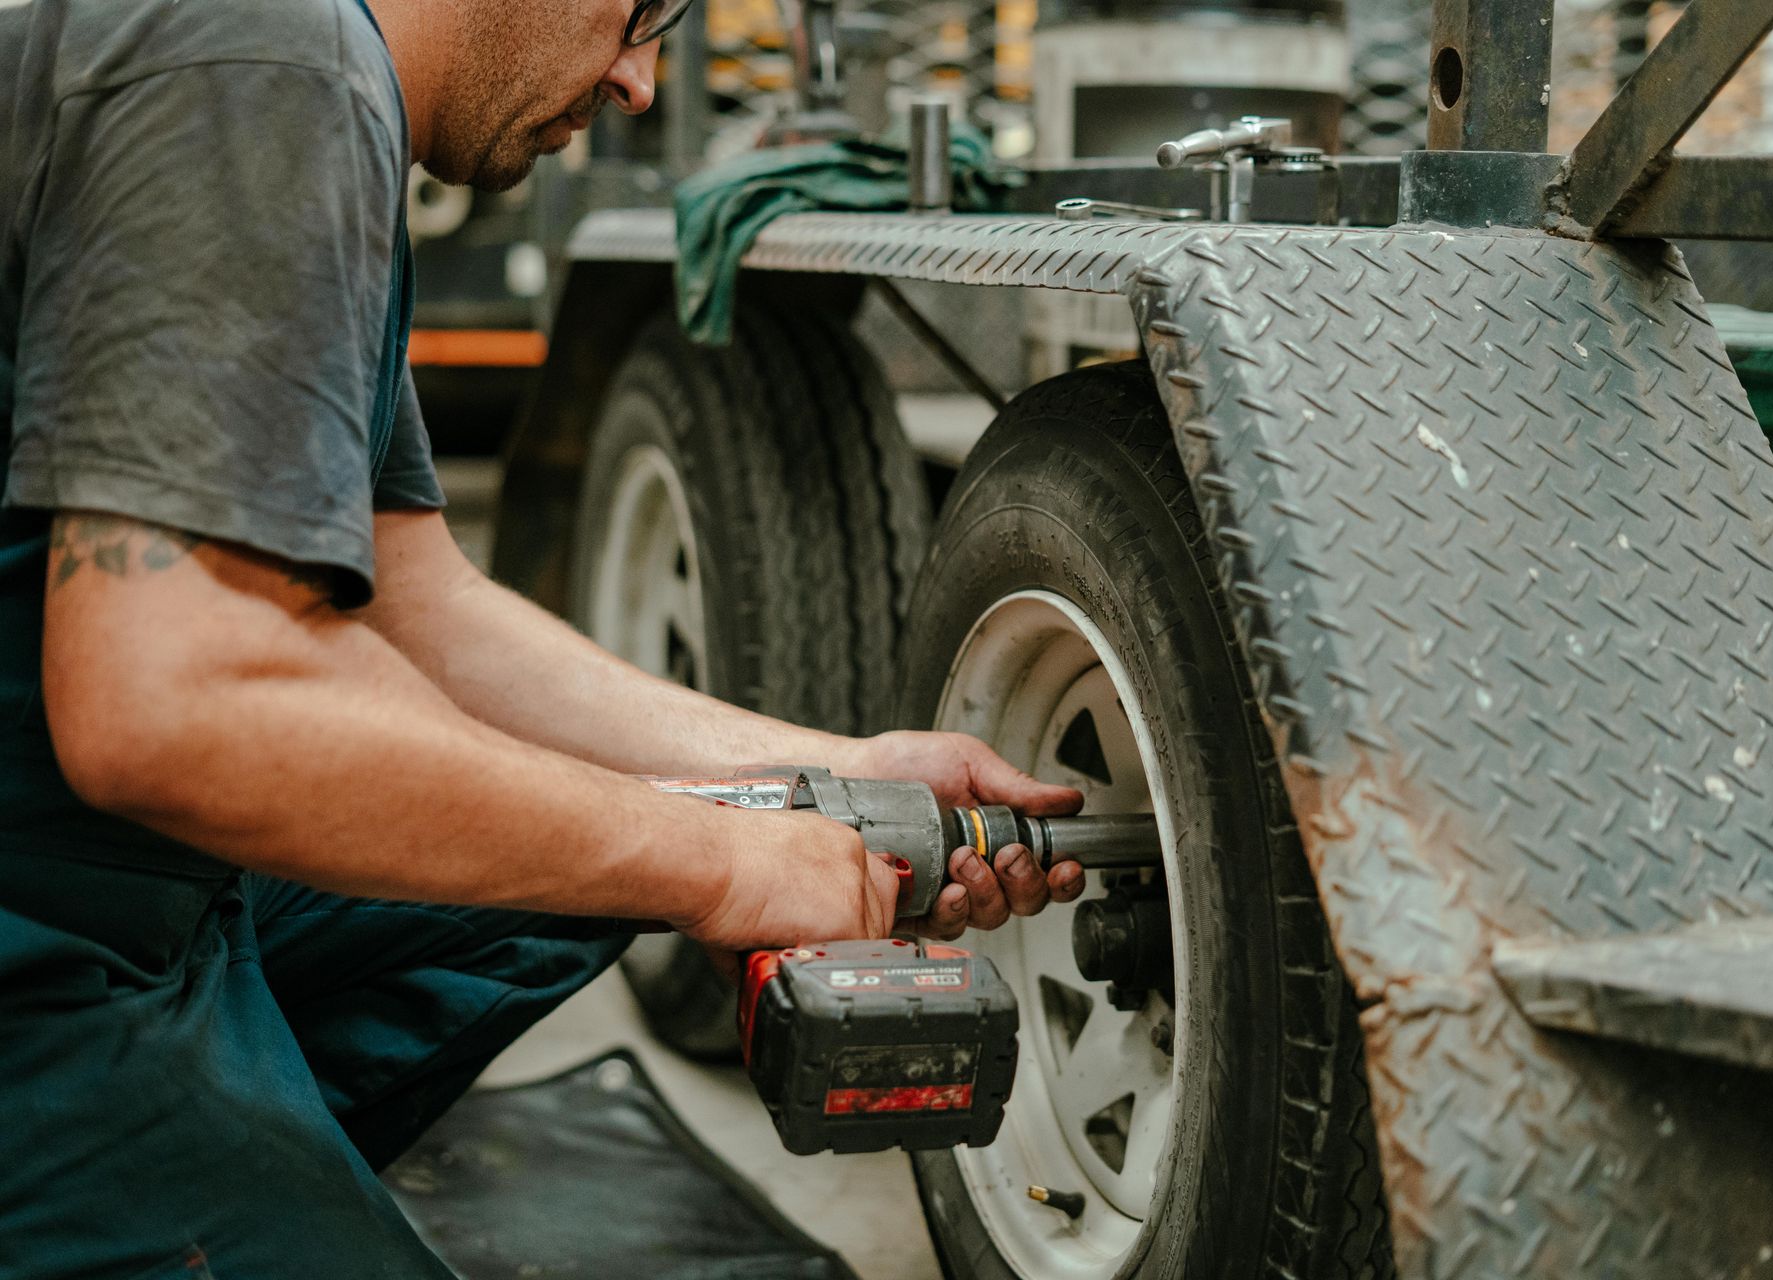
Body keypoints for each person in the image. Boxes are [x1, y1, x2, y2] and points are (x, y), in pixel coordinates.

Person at [0, 0, 1085, 1273]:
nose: (641, 81)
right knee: (651, 847)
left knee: (585, 867)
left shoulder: (325, 92)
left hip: (101, 855)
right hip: (43, 925)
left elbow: (419, 605)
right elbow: (173, 704)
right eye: (641, 11)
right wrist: (719, 866)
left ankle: (222, 1141)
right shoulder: (270, 62)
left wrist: (827, 777)